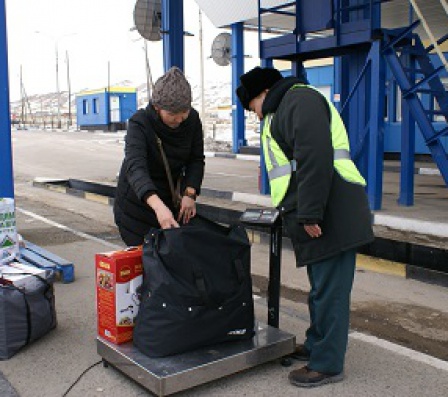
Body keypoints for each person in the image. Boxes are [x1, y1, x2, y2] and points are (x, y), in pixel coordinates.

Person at [236, 67, 374, 387]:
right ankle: (316, 345)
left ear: (264, 93)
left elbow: (315, 155)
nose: (255, 116)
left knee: (331, 292)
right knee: (320, 288)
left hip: (331, 213)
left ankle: (327, 364)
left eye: (253, 107)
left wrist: (310, 213)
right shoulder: (285, 107)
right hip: (320, 211)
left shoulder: (300, 100)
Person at [114, 66, 205, 246]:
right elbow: (135, 167)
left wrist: (189, 193)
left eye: (184, 113)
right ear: (157, 107)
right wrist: (157, 206)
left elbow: (196, 159)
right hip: (138, 204)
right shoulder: (140, 123)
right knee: (146, 261)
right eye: (172, 114)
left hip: (170, 200)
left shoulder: (192, 120)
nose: (179, 119)